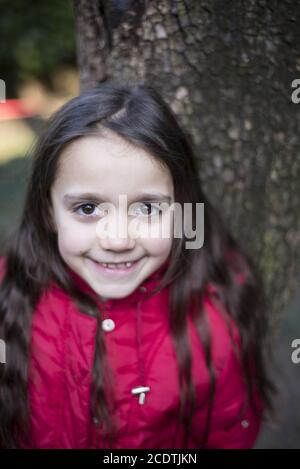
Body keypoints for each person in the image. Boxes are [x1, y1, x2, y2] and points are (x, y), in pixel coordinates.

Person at [0, 82, 275, 449]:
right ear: (49, 212)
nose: (118, 240)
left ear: (183, 211)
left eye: (147, 208)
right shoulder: (9, 291)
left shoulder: (214, 324)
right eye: (87, 208)